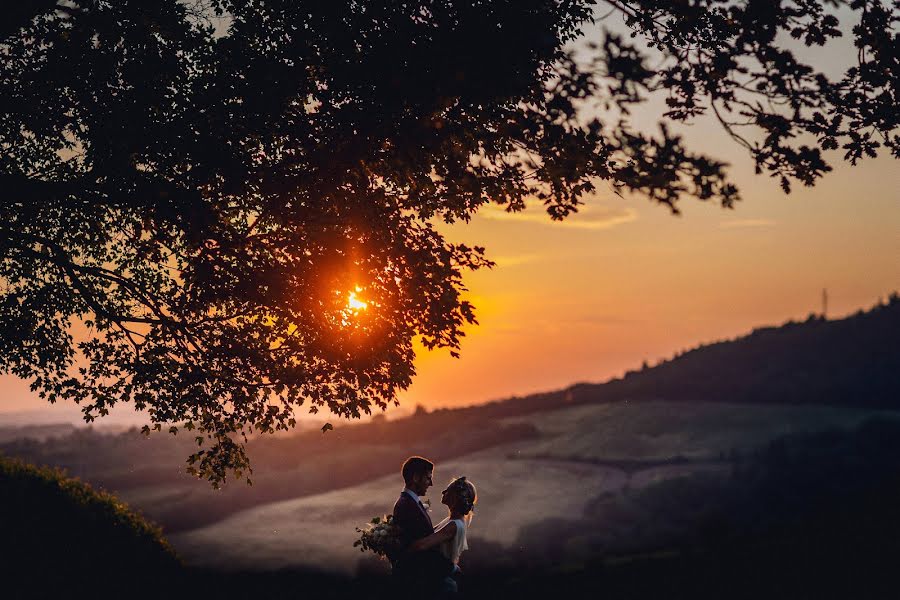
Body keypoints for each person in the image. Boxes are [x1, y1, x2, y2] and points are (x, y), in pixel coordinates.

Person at [392, 456, 455, 594]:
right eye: (427, 478)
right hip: (420, 583)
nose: (430, 483)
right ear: (415, 477)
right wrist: (450, 568)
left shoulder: (412, 503)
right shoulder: (406, 505)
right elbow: (420, 547)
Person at [409, 476, 477, 596]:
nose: (443, 492)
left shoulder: (453, 525)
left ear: (454, 497)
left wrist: (398, 544)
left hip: (441, 587)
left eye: (447, 490)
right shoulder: (451, 521)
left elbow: (421, 545)